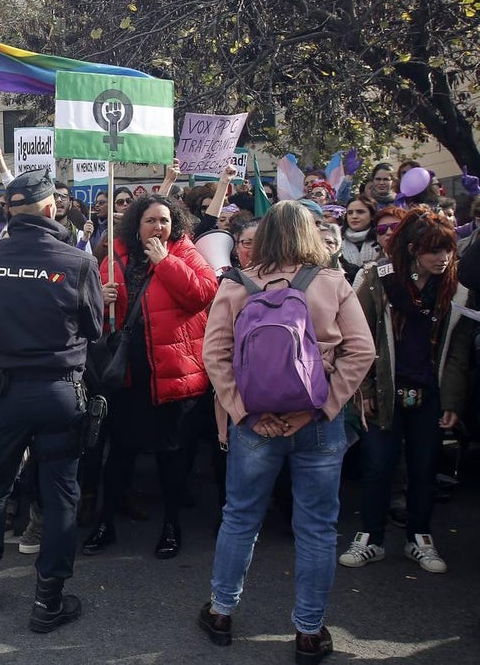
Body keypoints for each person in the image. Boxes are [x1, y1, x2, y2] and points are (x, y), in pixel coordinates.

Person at [198, 200, 374, 662]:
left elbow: (214, 354)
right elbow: (361, 351)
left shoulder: (237, 285)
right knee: (316, 527)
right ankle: (310, 631)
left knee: (240, 517)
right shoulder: (333, 282)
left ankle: (220, 611)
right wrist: (322, 407)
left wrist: (244, 414)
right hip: (317, 422)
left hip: (255, 421)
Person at [0, 169, 103, 634]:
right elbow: (97, 330)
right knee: (60, 493)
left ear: (9, 212)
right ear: (50, 209)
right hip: (61, 390)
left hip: (4, 390)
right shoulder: (78, 262)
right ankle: (49, 600)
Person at [83, 193, 217, 561]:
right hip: (126, 374)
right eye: (150, 221)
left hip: (170, 373)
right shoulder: (117, 257)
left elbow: (204, 294)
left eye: (164, 220)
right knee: (120, 455)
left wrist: (168, 263)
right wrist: (102, 296)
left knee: (170, 457)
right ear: (136, 226)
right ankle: (105, 523)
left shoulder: (185, 252)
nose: (158, 227)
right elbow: (92, 311)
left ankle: (171, 525)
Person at [339, 207, 469, 575]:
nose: (442, 259)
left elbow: (458, 348)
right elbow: (355, 336)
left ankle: (420, 537)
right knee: (378, 466)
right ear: (414, 249)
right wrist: (361, 388)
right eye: (433, 251)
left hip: (430, 393)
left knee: (425, 467)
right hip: (383, 391)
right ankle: (371, 537)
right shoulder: (377, 278)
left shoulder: (455, 287)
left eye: (447, 250)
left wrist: (453, 399)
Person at [340, 196, 379, 283]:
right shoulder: (337, 241)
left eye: (360, 212)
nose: (354, 216)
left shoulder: (381, 239)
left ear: (372, 215)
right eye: (350, 213)